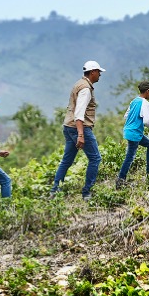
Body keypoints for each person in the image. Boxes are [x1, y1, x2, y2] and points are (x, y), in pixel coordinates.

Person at [51, 60, 106, 200]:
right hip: (79, 128)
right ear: (93, 72)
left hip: (68, 126)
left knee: (66, 160)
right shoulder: (86, 89)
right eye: (98, 72)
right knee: (95, 158)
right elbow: (79, 114)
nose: (100, 75)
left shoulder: (79, 84)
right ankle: (87, 192)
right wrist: (81, 134)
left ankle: (55, 191)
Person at [116, 81, 149, 188]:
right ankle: (120, 179)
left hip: (130, 131)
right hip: (134, 133)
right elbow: (146, 121)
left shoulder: (134, 101)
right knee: (130, 157)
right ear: (147, 91)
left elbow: (125, 116)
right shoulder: (145, 103)